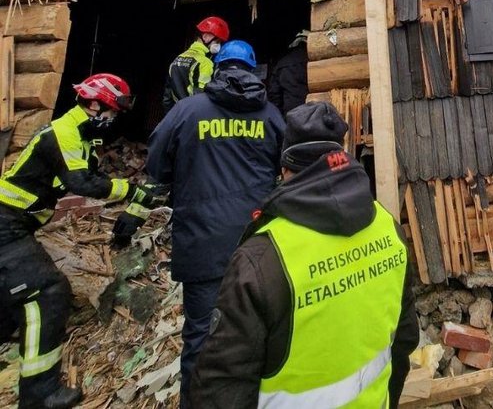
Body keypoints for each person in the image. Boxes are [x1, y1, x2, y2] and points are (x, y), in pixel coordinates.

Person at [190, 102, 419, 409]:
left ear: (286, 170)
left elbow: (222, 389)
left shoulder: (262, 259)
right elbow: (404, 341)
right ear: (340, 155)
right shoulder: (387, 226)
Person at [116, 40, 285, 408]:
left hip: (202, 243)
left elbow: (157, 166)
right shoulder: (270, 115)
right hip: (258, 244)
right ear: (252, 70)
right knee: (258, 332)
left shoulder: (186, 111)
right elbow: (281, 169)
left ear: (218, 67)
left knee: (201, 337)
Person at [0, 73, 164, 409]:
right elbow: (83, 183)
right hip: (5, 226)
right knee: (48, 290)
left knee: (13, 290)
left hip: (16, 225)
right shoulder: (63, 132)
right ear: (93, 104)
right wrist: (130, 189)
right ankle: (39, 395)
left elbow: (92, 176)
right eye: (111, 111)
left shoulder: (81, 136)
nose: (113, 118)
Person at [162, 16, 230, 113]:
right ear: (205, 36)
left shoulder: (177, 59)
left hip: (177, 115)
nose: (218, 45)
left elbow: (167, 98)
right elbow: (202, 98)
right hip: (194, 116)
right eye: (217, 41)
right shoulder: (205, 63)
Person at [267, 31, 308, 116]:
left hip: (291, 116)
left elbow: (274, 96)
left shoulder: (282, 63)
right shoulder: (317, 61)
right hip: (315, 116)